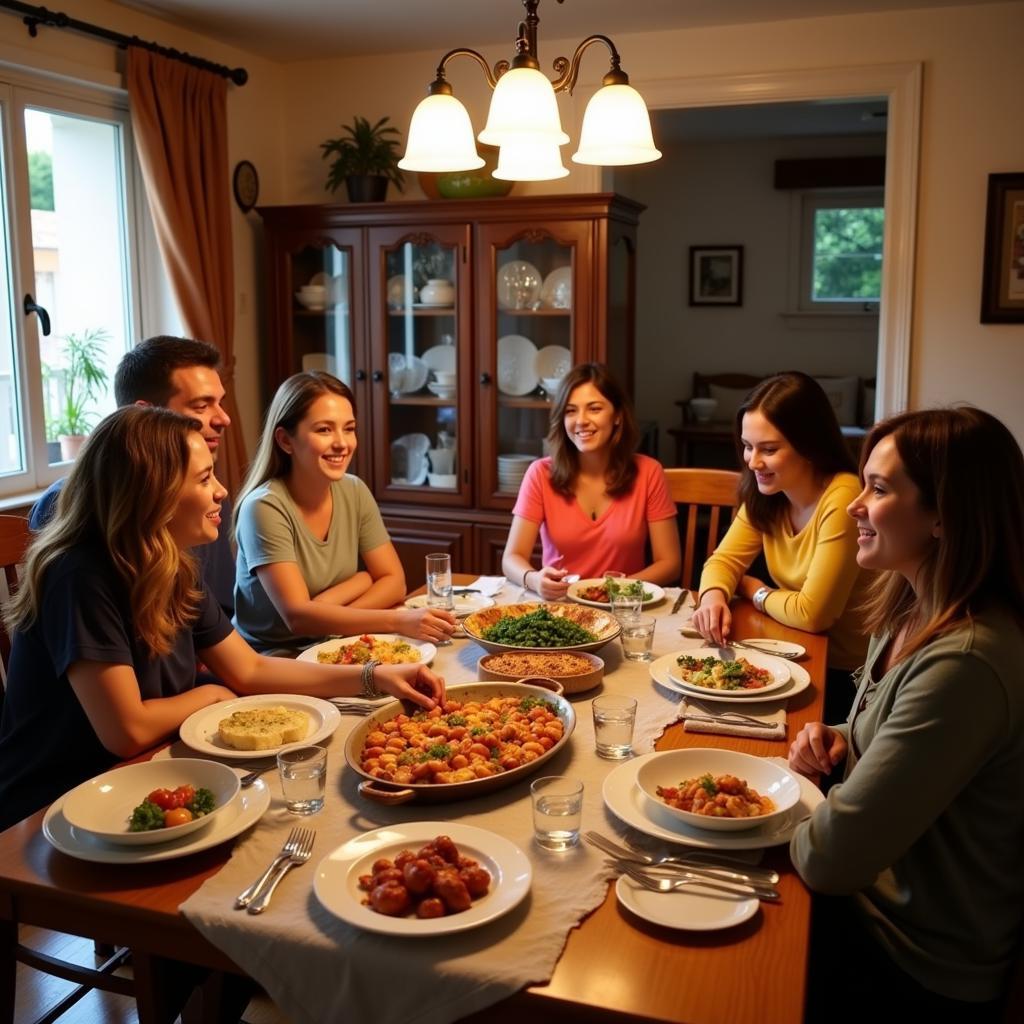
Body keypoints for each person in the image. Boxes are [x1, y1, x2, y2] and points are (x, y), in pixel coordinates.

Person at [0, 406, 445, 832]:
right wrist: (210, 694)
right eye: (204, 478)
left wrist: (379, 675)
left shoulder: (166, 562)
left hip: (145, 778)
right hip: (52, 808)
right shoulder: (79, 574)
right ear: (152, 492)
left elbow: (250, 668)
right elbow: (127, 731)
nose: (222, 491)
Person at [788, 407, 1024, 1018]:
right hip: (873, 899)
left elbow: (830, 859)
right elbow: (885, 729)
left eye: (880, 488)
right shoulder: (908, 609)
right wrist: (838, 736)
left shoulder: (966, 662)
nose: (852, 506)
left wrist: (762, 810)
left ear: (945, 513)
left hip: (909, 955)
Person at [233, 372, 456, 655]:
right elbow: (298, 618)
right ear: (285, 440)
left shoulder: (354, 490)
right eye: (324, 430)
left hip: (335, 643)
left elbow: (394, 582)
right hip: (273, 658)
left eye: (348, 428)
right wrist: (392, 615)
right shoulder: (263, 507)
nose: (342, 443)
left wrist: (326, 611)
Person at [691, 372, 870, 711]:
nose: (753, 461)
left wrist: (754, 591)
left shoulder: (842, 496)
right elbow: (723, 561)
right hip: (797, 649)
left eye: (769, 449)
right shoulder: (768, 494)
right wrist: (713, 597)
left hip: (847, 677)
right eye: (747, 446)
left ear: (809, 445)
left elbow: (813, 614)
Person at [30, 335, 236, 617]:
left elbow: (217, 612)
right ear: (145, 414)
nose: (223, 419)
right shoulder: (71, 505)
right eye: (201, 406)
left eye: (220, 403)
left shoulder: (209, 499)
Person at [501, 363, 681, 599]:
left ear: (617, 416)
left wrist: (621, 588)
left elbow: (670, 563)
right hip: (560, 606)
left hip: (623, 606)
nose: (581, 420)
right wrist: (534, 580)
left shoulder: (649, 472)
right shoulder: (539, 474)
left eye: (594, 409)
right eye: (570, 411)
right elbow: (511, 557)